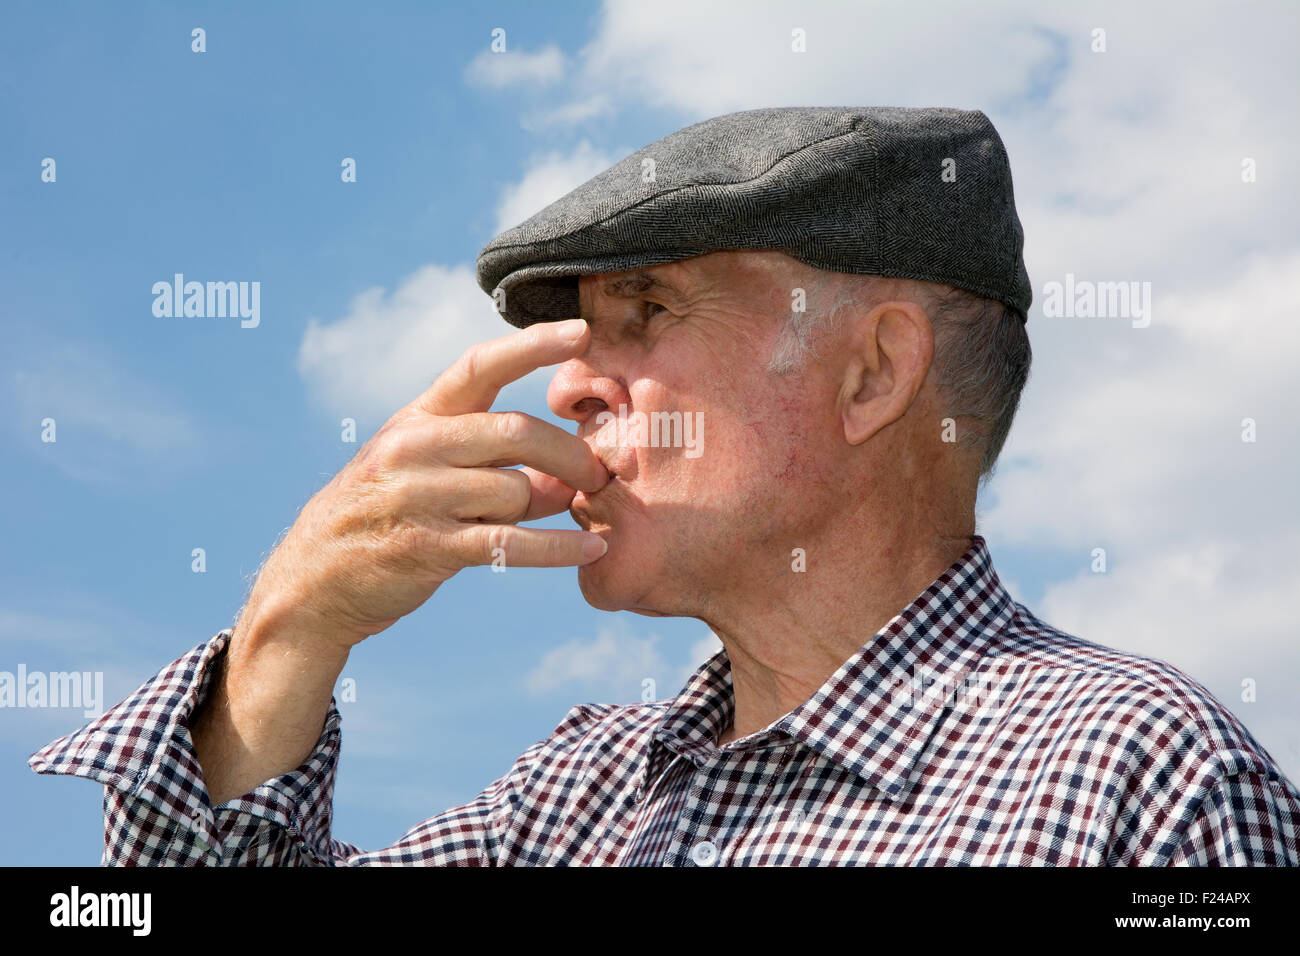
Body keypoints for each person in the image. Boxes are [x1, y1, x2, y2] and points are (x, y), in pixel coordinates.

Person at [30, 107, 1300, 865]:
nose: (570, 387)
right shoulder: (569, 795)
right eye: (576, 333)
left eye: (646, 310)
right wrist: (287, 635)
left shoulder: (1144, 778)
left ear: (872, 375)